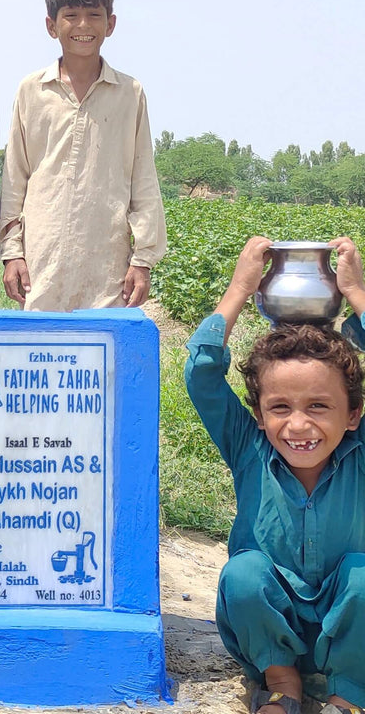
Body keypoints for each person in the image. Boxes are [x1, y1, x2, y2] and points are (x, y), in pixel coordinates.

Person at [185, 235, 365, 714]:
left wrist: (357, 296)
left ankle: (348, 694)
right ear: (259, 415)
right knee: (244, 573)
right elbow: (202, 375)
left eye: (320, 407)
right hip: (268, 624)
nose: (299, 425)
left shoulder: (360, 450)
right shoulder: (249, 447)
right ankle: (283, 684)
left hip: (352, 626)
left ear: (353, 415)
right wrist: (241, 288)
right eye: (280, 407)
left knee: (363, 578)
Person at [0, 0, 166, 312]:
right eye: (71, 16)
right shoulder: (32, 90)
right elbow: (15, 176)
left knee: (101, 357)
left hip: (106, 261)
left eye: (94, 15)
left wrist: (143, 259)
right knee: (41, 355)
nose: (83, 26)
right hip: (43, 259)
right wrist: (12, 252)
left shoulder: (129, 93)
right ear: (51, 25)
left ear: (111, 24)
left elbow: (143, 177)